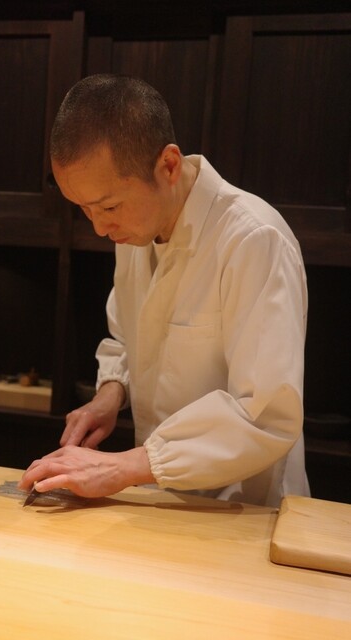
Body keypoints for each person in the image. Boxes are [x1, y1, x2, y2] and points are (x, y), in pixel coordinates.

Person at [19, 74, 310, 507]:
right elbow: (127, 337)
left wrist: (123, 467)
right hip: (164, 501)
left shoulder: (254, 239)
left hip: (245, 510)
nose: (99, 227)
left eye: (108, 206)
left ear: (169, 166)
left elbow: (264, 413)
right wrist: (110, 394)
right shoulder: (135, 230)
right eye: (84, 209)